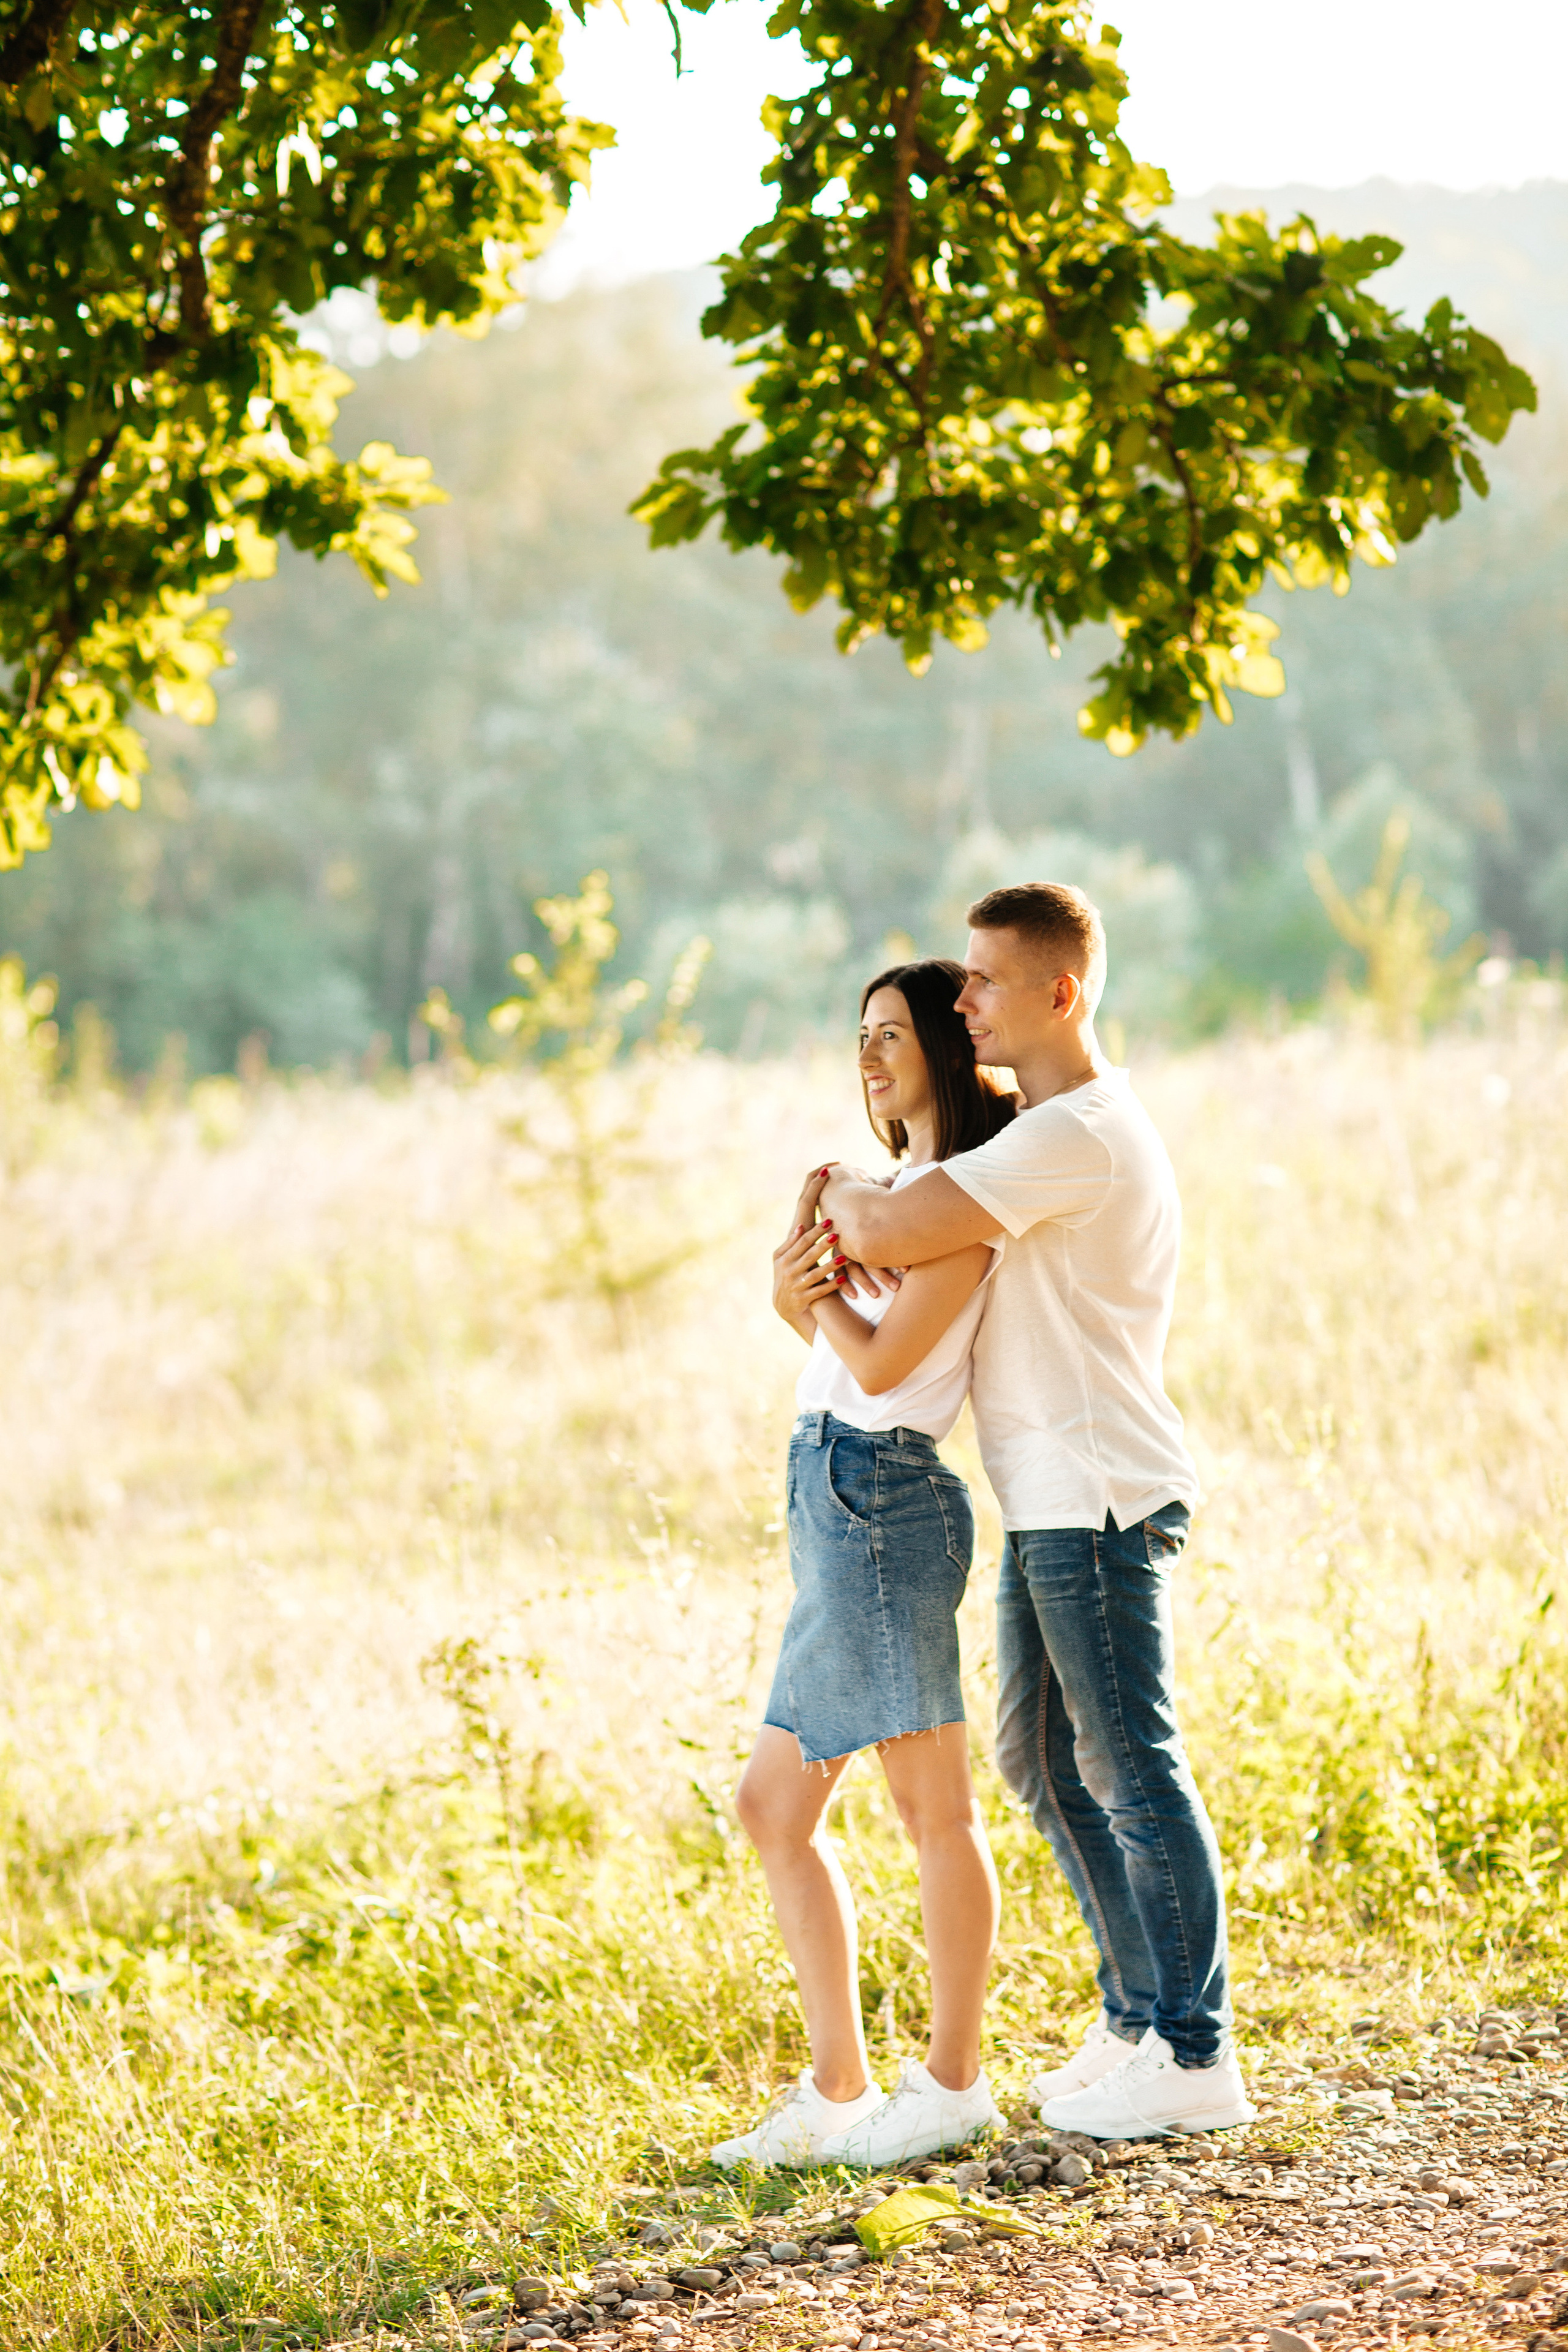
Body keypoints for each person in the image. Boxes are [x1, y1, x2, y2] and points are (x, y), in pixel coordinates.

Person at [814, 885, 1256, 2141]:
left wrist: (834, 1195)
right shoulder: (1047, 1128)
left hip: (1097, 1494)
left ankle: (1192, 2053)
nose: (960, 1003)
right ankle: (1134, 2017)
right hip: (1051, 1496)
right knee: (1043, 1761)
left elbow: (900, 1216)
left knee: (1126, 1767)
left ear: (1060, 993)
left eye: (983, 983)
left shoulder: (1078, 1133)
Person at [712, 960, 1016, 2172]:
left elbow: (885, 1364)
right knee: (774, 1808)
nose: (868, 1053)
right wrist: (808, 1280)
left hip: (881, 1490)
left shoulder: (956, 1200)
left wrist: (804, 1310)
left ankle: (950, 2083)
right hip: (830, 1493)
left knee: (926, 1808)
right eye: (859, 1033)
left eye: (892, 1033)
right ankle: (836, 2093)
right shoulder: (888, 1192)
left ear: (949, 1046)